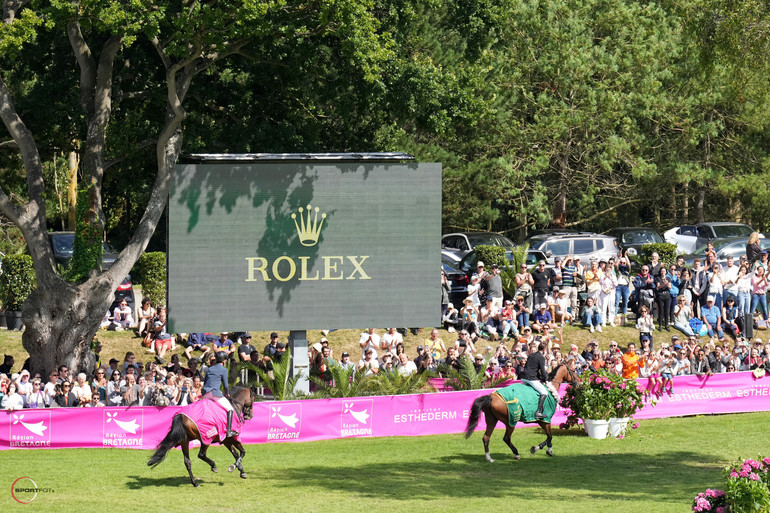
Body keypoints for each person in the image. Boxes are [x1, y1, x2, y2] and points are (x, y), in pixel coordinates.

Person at [202, 351, 238, 438]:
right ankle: (228, 431)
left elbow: (206, 382)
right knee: (230, 409)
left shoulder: (209, 369)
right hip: (214, 393)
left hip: (205, 393)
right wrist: (227, 393)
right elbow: (225, 385)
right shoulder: (224, 370)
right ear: (224, 361)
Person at [519, 341, 549, 419]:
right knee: (544, 392)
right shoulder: (541, 357)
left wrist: (539, 377)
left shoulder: (531, 354)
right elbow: (542, 371)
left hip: (523, 378)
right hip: (531, 378)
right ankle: (538, 412)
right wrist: (545, 379)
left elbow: (530, 367)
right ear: (544, 350)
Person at [654, 266, 673, 331]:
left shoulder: (668, 278)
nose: (663, 272)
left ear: (666, 272)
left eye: (664, 271)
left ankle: (666, 325)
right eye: (662, 271)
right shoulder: (658, 278)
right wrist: (663, 284)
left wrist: (667, 283)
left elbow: (670, 287)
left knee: (667, 311)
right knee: (661, 311)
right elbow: (658, 287)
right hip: (660, 296)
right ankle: (660, 325)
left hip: (667, 296)